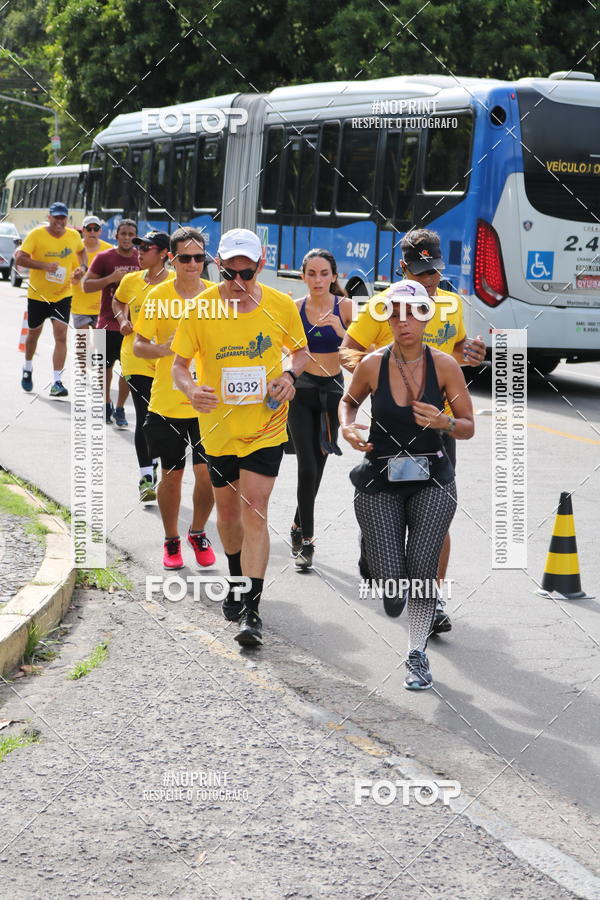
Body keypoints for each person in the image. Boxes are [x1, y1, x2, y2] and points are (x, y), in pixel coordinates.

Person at [341, 228, 486, 633]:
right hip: (389, 428)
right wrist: (378, 373)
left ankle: (431, 599)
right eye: (421, 273)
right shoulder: (383, 305)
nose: (429, 280)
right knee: (386, 511)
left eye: (435, 271)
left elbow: (455, 352)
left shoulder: (451, 305)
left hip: (436, 430)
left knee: (435, 520)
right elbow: (347, 350)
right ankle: (376, 547)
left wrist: (471, 355)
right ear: (403, 269)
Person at [172, 228, 309, 648]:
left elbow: (301, 352)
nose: (237, 281)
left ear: (260, 266)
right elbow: (179, 365)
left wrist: (290, 376)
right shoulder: (200, 309)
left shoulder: (281, 305)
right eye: (228, 272)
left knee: (255, 509)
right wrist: (191, 390)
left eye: (246, 273)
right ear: (218, 266)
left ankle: (252, 609)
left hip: (266, 426)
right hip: (218, 429)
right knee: (228, 515)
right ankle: (234, 577)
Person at [134, 227, 216, 570]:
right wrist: (166, 349)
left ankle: (197, 532)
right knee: (171, 476)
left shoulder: (216, 295)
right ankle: (171, 540)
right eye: (185, 258)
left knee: (207, 474)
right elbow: (139, 346)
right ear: (172, 258)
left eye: (199, 258)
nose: (193, 264)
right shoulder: (158, 296)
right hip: (168, 401)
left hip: (208, 402)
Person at [287, 249, 353, 571]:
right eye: (311, 273)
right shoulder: (295, 308)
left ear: (334, 276)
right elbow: (284, 350)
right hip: (301, 392)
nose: (318, 280)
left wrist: (342, 333)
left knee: (319, 465)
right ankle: (307, 542)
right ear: (303, 276)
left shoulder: (347, 307)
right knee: (307, 466)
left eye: (324, 273)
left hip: (332, 395)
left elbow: (363, 356)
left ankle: (297, 523)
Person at [113, 231, 172, 503]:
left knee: (161, 417)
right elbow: (117, 300)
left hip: (167, 360)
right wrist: (122, 319)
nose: (140, 252)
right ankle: (146, 476)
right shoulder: (131, 280)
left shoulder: (175, 282)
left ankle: (156, 460)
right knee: (144, 414)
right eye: (139, 247)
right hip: (135, 356)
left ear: (163, 254)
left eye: (146, 248)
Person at [16, 201, 87, 397]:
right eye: (56, 217)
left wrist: (82, 268)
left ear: (66, 219)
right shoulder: (36, 234)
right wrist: (44, 266)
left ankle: (57, 382)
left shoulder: (73, 235)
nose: (59, 221)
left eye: (63, 217)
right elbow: (20, 258)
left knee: (61, 335)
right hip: (38, 296)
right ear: (49, 217)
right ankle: (27, 367)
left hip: (63, 295)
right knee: (33, 335)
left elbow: (82, 251)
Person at [82, 219, 139, 426]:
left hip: (132, 325)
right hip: (106, 321)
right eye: (123, 233)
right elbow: (86, 286)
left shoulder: (141, 258)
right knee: (104, 368)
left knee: (129, 370)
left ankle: (120, 407)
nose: (127, 238)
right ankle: (106, 403)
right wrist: (111, 278)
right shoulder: (104, 257)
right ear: (116, 236)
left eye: (131, 234)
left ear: (136, 237)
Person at [71, 216, 112, 329]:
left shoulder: (108, 250)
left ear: (100, 230)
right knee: (82, 341)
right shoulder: (74, 249)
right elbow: (69, 281)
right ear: (83, 230)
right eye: (89, 229)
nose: (92, 232)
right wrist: (75, 278)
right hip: (79, 306)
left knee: (100, 340)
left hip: (101, 307)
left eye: (96, 228)